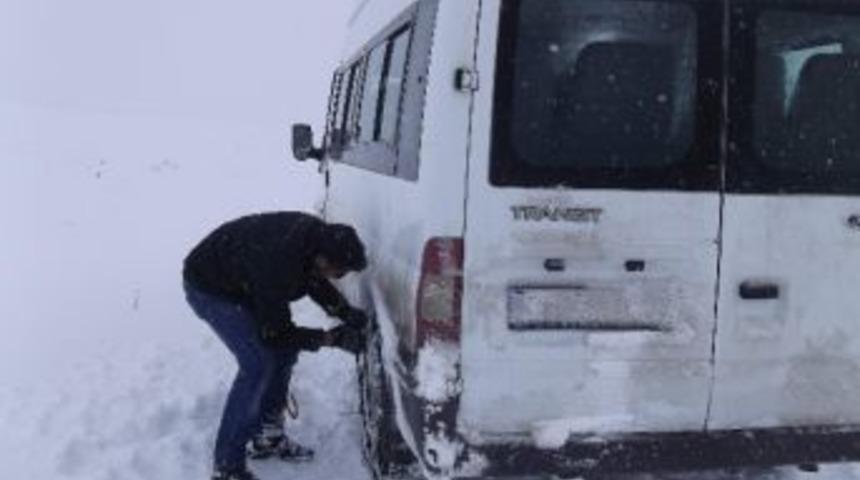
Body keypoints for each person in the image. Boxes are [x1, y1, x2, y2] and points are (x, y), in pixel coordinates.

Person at [183, 211, 369, 480]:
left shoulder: (314, 241)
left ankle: (267, 434)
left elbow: (313, 280)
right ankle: (227, 468)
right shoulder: (278, 262)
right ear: (323, 258)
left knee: (283, 351)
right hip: (210, 287)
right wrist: (330, 339)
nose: (339, 277)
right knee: (257, 363)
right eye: (339, 271)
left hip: (244, 279)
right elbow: (276, 334)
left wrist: (344, 312)